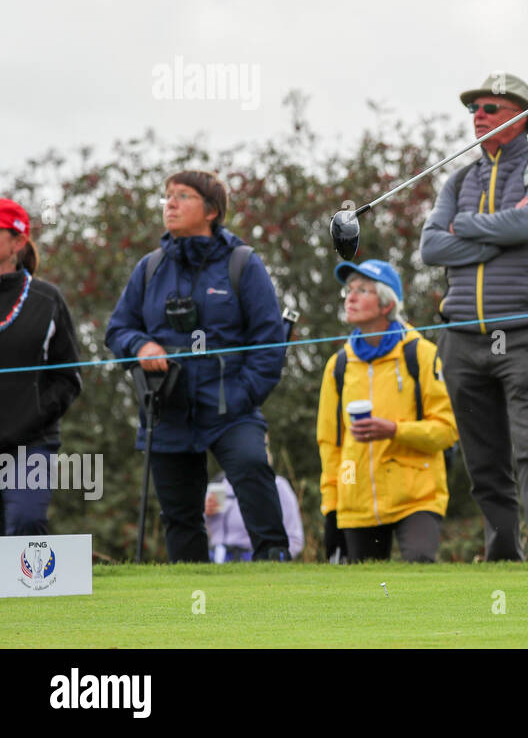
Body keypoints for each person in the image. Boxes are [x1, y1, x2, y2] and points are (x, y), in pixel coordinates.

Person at [419, 73, 528, 562]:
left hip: (522, 334)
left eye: (490, 108)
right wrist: (495, 237)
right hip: (460, 338)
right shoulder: (459, 179)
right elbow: (430, 246)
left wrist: (465, 229)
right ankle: (504, 552)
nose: (478, 116)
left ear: (520, 116)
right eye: (475, 109)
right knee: (482, 459)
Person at [105, 170, 290, 562]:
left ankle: (275, 567)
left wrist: (242, 395)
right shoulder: (149, 268)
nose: (169, 204)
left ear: (211, 211)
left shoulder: (244, 263)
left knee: (254, 471)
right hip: (167, 410)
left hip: (231, 410)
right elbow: (118, 329)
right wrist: (140, 345)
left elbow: (270, 341)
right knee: (180, 517)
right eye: (167, 196)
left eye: (182, 196)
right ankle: (191, 599)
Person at [317, 259, 458, 563]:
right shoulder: (337, 366)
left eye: (362, 290)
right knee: (365, 601)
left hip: (418, 497)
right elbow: (330, 445)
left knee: (417, 575)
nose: (350, 297)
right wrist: (331, 505)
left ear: (386, 304)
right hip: (355, 502)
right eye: (349, 290)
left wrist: (394, 430)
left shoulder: (421, 354)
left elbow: (447, 430)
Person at [0, 199, 82, 535]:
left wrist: (32, 414)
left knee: (25, 523)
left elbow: (69, 377)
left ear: (17, 242)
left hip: (30, 445)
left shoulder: (46, 299)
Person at [205, 472, 304, 561]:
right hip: (215, 558)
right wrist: (203, 510)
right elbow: (195, 526)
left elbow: (294, 538)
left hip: (253, 559)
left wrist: (274, 560)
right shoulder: (219, 484)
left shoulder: (277, 486)